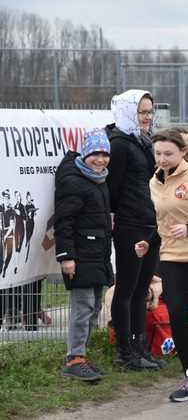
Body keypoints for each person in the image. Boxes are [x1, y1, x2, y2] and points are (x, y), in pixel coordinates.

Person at [137, 128, 188, 402]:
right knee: (176, 316)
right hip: (171, 256)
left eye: (168, 153)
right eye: (158, 153)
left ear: (183, 152)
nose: (162, 158)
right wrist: (148, 242)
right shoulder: (154, 181)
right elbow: (163, 221)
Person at [106, 89, 161, 371]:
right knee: (126, 288)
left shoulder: (143, 140)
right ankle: (124, 351)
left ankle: (141, 347)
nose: (147, 117)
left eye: (150, 111)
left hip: (151, 221)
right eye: (142, 112)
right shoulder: (119, 143)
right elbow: (113, 188)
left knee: (143, 289)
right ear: (128, 112)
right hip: (130, 224)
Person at [54, 129, 114, 382]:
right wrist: (66, 256)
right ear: (85, 153)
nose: (100, 160)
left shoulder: (99, 179)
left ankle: (83, 356)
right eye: (95, 154)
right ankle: (74, 358)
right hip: (80, 255)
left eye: (104, 154)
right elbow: (64, 221)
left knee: (95, 306)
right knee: (83, 307)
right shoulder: (74, 181)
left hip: (97, 253)